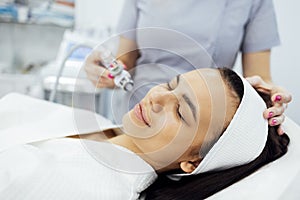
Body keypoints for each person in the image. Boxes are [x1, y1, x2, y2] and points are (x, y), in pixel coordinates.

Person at [0, 68, 289, 199]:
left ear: (194, 161)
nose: (157, 97)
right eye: (170, 84)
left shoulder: (96, 190)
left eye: (180, 112)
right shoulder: (99, 126)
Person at [83, 0, 292, 134]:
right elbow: (124, 63)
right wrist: (106, 72)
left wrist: (271, 99)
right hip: (134, 111)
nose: (160, 96)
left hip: (193, 130)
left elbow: (259, 80)